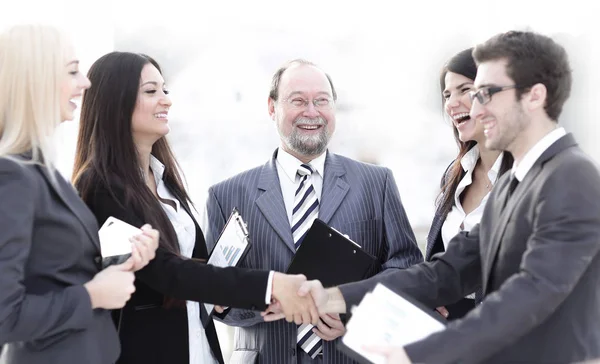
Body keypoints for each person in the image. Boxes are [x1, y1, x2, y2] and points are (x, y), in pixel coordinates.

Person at [294, 31, 600, 364]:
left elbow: (531, 293)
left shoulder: (572, 176)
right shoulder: (514, 185)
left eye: (486, 94)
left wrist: (419, 354)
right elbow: (445, 273)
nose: (476, 109)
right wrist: (331, 297)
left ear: (535, 96)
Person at [72, 51, 318, 364]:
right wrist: (270, 285)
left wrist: (231, 300)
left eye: (165, 90)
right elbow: (163, 271)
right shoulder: (100, 186)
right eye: (151, 91)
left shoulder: (164, 180)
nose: (166, 100)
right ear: (115, 103)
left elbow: (192, 269)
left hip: (200, 349)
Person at [206, 59, 423, 363]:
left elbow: (407, 266)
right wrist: (268, 300)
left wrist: (353, 314)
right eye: (298, 100)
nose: (312, 112)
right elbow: (214, 295)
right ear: (272, 107)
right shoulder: (226, 195)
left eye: (322, 100)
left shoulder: (377, 182)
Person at [0, 24, 159, 364]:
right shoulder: (12, 177)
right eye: (72, 71)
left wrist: (122, 259)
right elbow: (4, 314)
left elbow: (54, 273)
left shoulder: (42, 172)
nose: (85, 83)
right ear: (37, 80)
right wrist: (92, 296)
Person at [427, 48, 513, 320]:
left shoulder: (528, 176)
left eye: (464, 89)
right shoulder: (454, 174)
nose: (451, 103)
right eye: (447, 94)